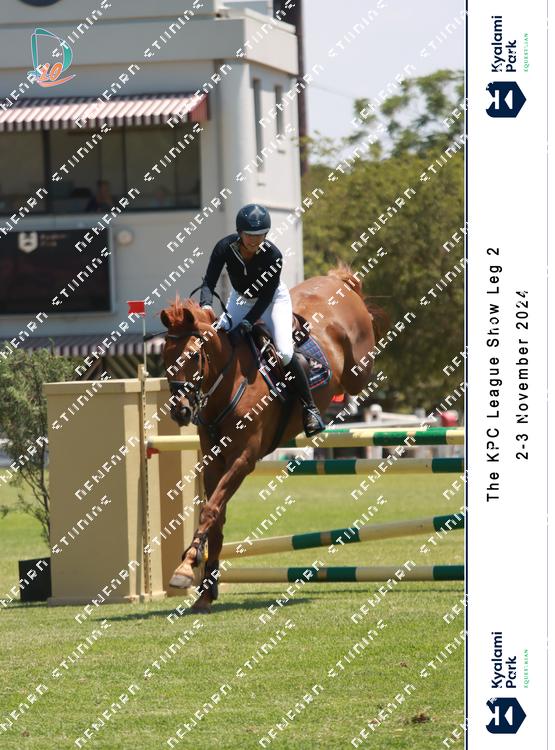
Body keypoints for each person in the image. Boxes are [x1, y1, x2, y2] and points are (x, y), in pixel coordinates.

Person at [199, 203, 325, 437]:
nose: (254, 240)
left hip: (273, 300)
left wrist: (248, 322)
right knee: (216, 336)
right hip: (240, 298)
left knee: (284, 352)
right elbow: (209, 282)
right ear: (240, 232)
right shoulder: (224, 247)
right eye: (249, 235)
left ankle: (310, 409)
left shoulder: (273, 255)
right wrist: (206, 305)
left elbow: (266, 297)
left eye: (260, 235)